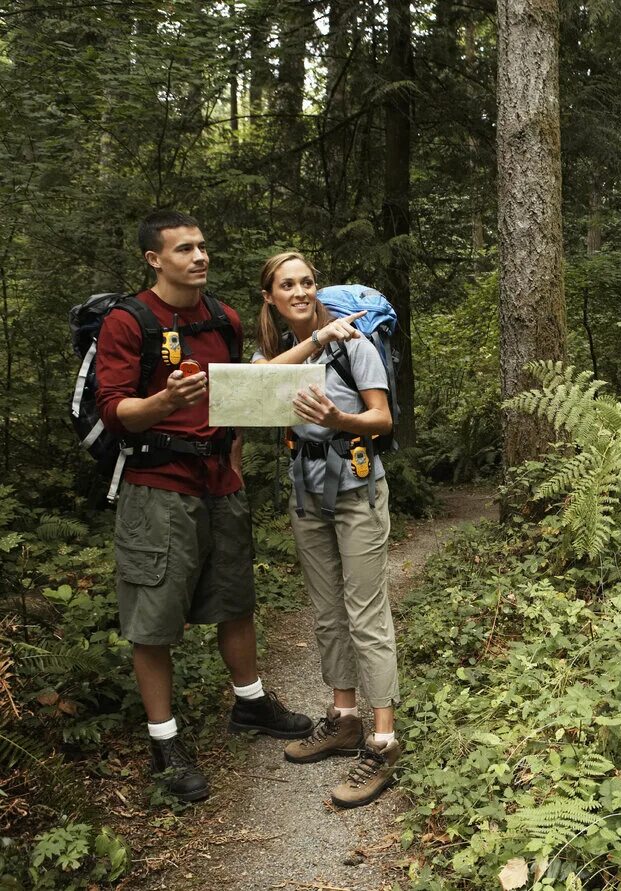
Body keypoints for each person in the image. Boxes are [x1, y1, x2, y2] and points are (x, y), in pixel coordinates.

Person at [96, 210, 313, 803]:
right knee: (155, 620)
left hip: (220, 483)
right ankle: (164, 744)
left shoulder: (223, 317)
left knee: (234, 599)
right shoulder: (127, 321)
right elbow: (114, 414)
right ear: (154, 259)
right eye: (185, 248)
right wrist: (163, 401)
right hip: (158, 486)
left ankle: (252, 705)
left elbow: (236, 398)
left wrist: (235, 464)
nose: (199, 256)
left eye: (202, 246)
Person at [253, 251, 401, 809]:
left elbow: (382, 418)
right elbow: (263, 384)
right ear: (270, 296)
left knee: (366, 610)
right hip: (306, 489)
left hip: (358, 485)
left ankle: (383, 739)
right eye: (287, 284)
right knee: (326, 611)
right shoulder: (273, 353)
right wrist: (315, 342)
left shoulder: (355, 343)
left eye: (307, 282)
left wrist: (340, 421)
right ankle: (343, 718)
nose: (299, 291)